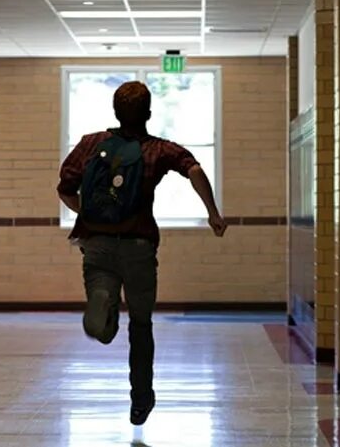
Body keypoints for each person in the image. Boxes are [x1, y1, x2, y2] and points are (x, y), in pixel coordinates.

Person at [57, 81, 227, 425]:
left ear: (115, 112)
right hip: (139, 247)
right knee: (141, 324)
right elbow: (192, 168)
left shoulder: (91, 143)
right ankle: (140, 399)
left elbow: (64, 187)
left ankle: (102, 313)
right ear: (148, 113)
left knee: (101, 289)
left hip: (97, 244)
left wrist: (88, 215)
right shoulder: (158, 149)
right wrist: (212, 211)